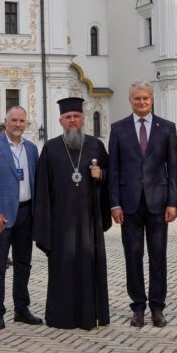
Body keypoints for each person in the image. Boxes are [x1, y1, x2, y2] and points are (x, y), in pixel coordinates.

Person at [33, 96, 111, 330]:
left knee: (89, 265)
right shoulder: (50, 148)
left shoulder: (96, 145)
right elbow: (42, 190)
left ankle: (91, 315)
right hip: (61, 222)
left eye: (77, 116)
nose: (73, 121)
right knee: (63, 269)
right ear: (61, 121)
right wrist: (44, 226)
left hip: (89, 221)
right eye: (68, 117)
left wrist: (102, 175)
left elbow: (110, 176)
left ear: (83, 119)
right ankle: (61, 316)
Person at [108, 82, 177, 328]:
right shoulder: (118, 129)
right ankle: (137, 307)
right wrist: (114, 204)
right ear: (130, 100)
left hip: (159, 204)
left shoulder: (167, 128)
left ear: (152, 100)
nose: (141, 102)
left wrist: (173, 202)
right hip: (129, 205)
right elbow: (114, 169)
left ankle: (157, 308)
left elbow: (174, 169)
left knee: (158, 257)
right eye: (137, 98)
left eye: (145, 98)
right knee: (133, 256)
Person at [0, 106, 42, 329]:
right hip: (2, 216)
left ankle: (21, 309)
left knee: (24, 264)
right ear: (5, 122)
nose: (17, 124)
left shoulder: (32, 149)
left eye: (21, 121)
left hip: (26, 213)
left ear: (26, 124)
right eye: (13, 120)